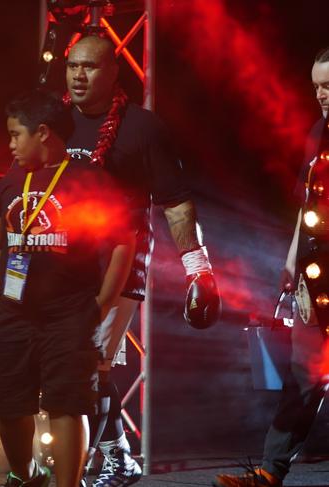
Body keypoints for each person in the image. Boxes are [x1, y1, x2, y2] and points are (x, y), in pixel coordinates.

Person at [63, 35, 221, 487]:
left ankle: (116, 458)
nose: (78, 75)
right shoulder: (53, 122)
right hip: (59, 260)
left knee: (90, 363)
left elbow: (175, 202)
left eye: (90, 67)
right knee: (61, 362)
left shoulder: (143, 128)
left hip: (119, 261)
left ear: (114, 72)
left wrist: (199, 270)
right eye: (72, 66)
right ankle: (101, 456)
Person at [0, 89, 136, 487]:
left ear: (43, 133)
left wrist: (102, 301)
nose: (10, 143)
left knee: (67, 403)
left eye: (16, 134)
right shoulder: (11, 180)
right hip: (11, 315)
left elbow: (123, 241)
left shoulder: (89, 179)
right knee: (10, 404)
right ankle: (25, 474)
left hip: (68, 314)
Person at [212, 47, 329, 487]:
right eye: (317, 86)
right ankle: (270, 472)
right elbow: (306, 206)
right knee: (303, 373)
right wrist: (289, 260)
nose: (321, 94)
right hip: (315, 274)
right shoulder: (318, 132)